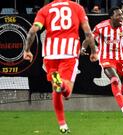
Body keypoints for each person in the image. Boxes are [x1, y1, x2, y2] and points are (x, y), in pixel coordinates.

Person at [23, 0, 97, 133]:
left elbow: (32, 31)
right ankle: (61, 83)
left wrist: (27, 50)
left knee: (56, 90)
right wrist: (94, 51)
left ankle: (62, 125)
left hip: (50, 53)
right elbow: (87, 32)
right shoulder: (77, 7)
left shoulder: (45, 9)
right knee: (66, 92)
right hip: (69, 51)